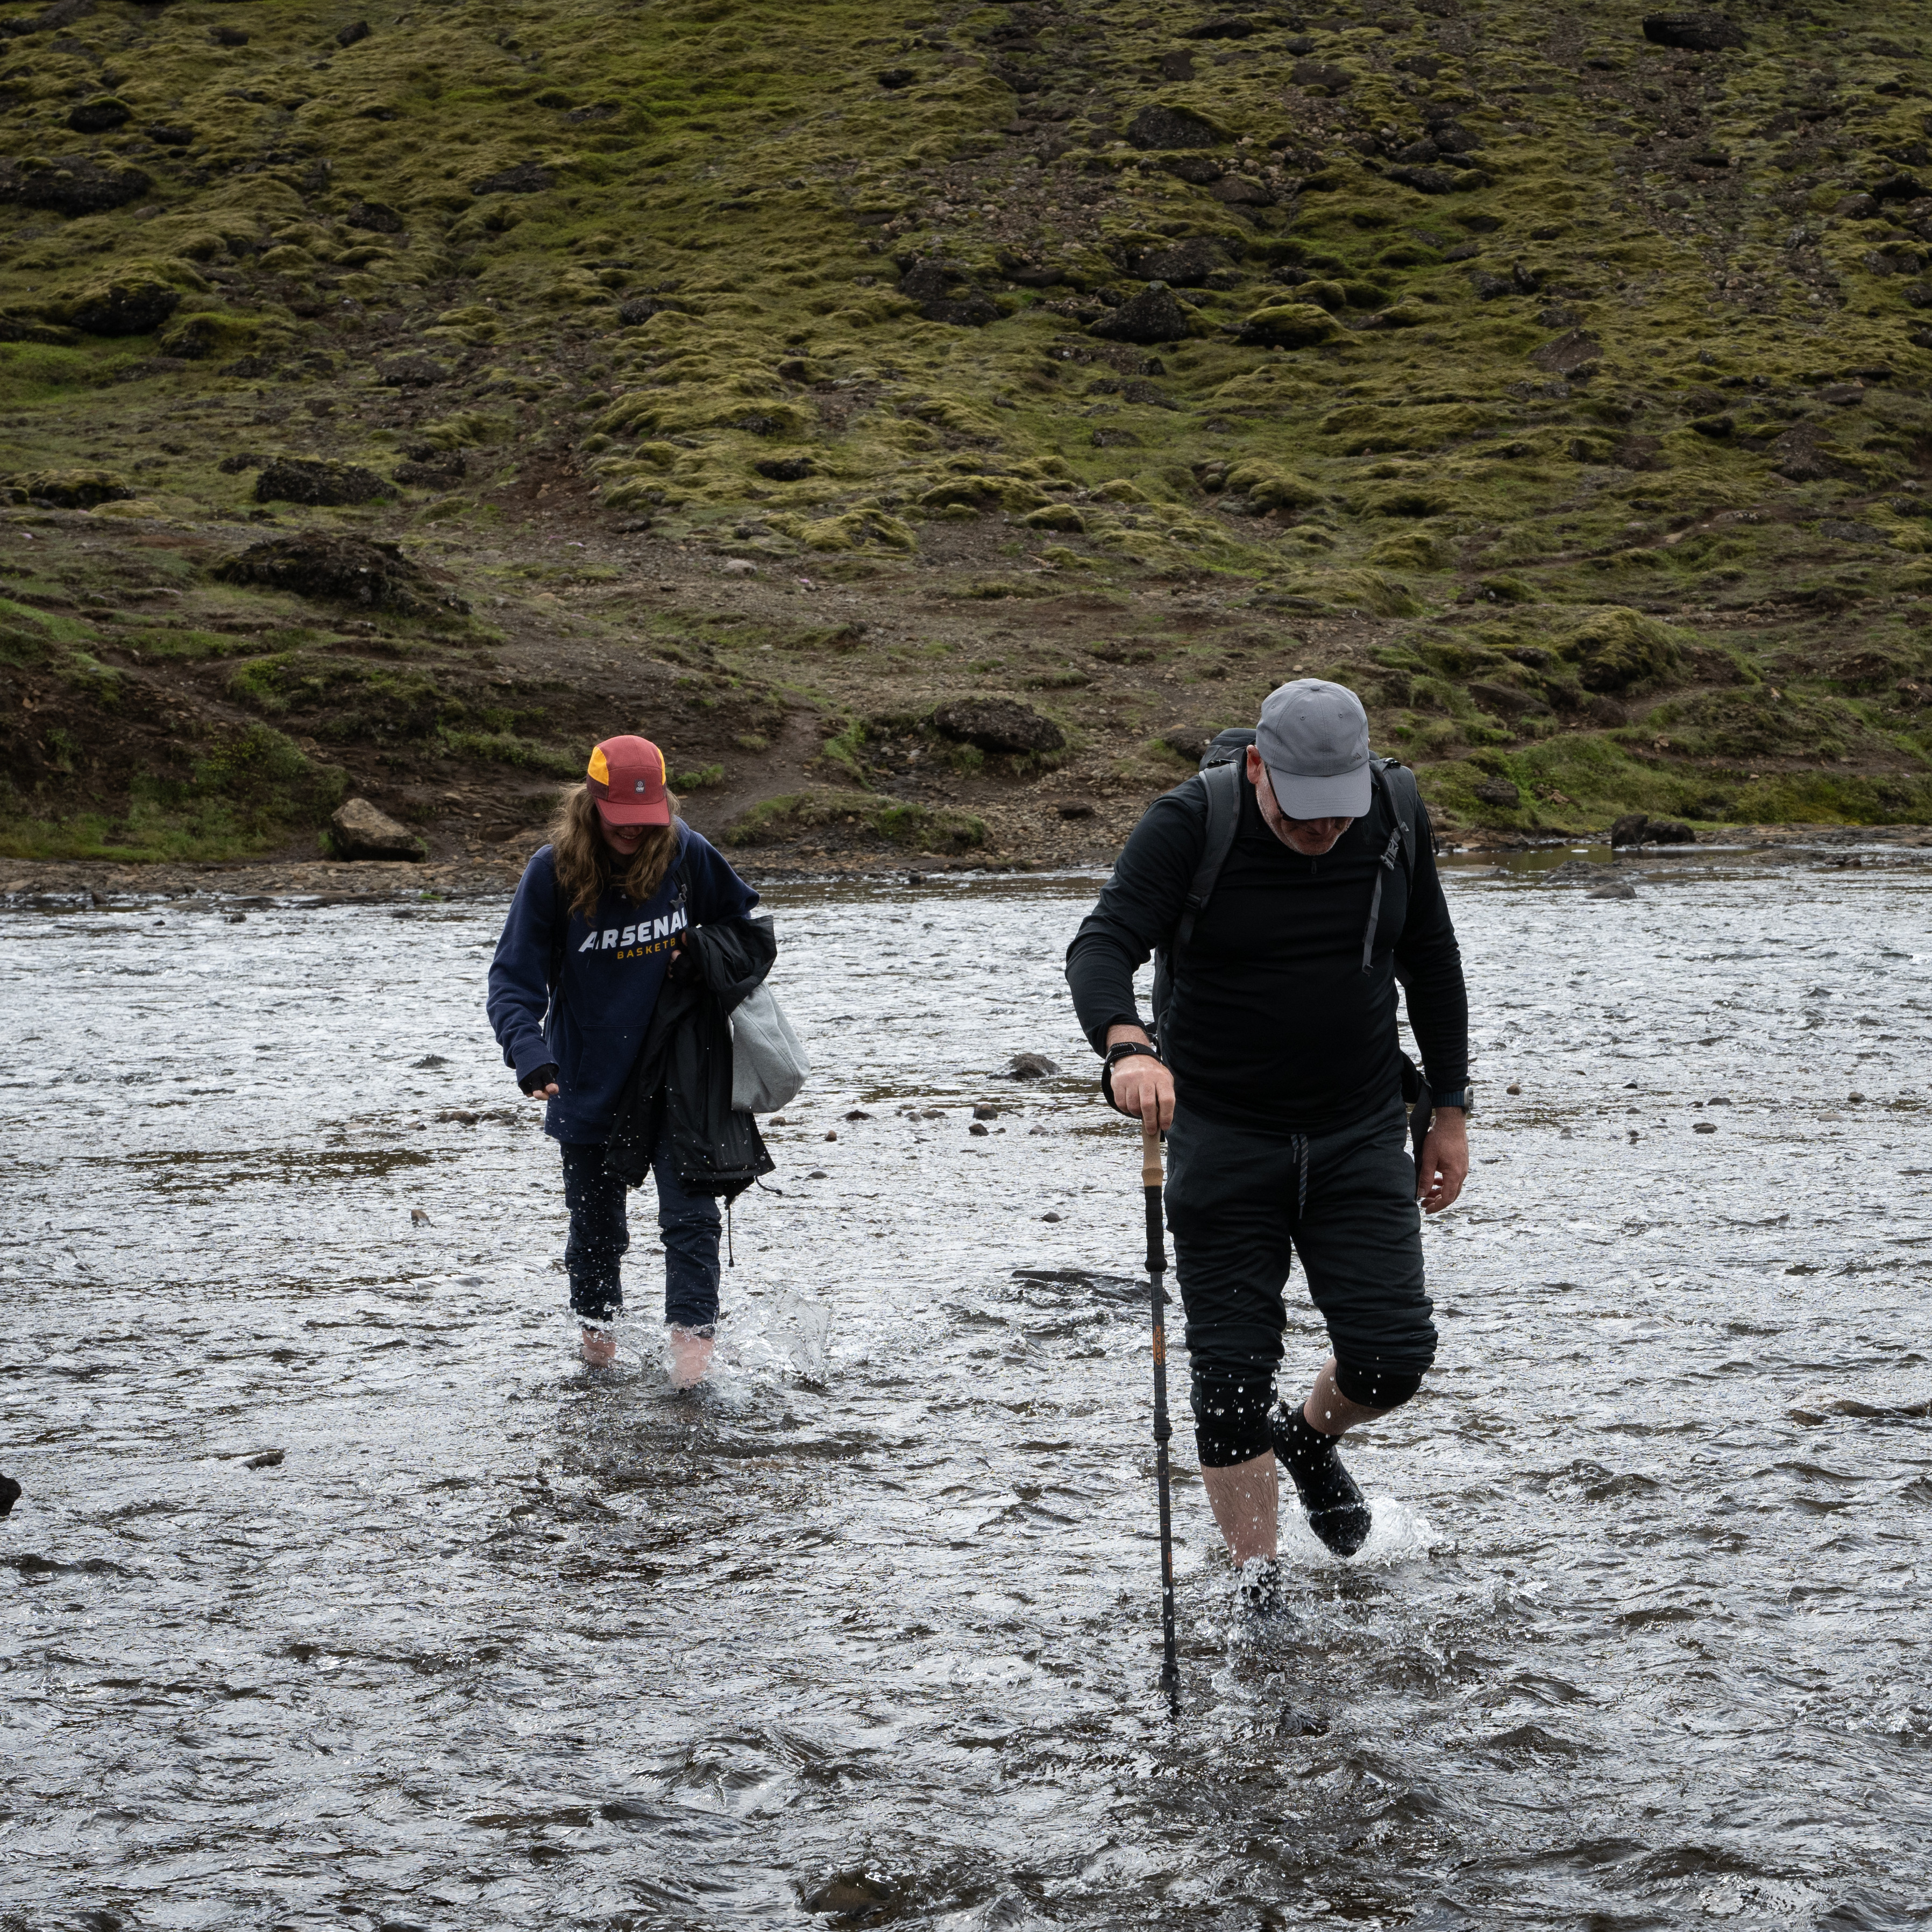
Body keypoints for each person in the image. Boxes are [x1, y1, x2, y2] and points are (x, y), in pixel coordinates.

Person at [1066, 680, 1471, 1599]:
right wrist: (1127, 1047)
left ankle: (1311, 1433)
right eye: (1301, 812)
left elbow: (1432, 959)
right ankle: (1260, 1585)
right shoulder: (1188, 823)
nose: (1323, 830)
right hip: (1220, 1131)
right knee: (1228, 1381)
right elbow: (1101, 945)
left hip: (1360, 1125)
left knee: (1391, 1356)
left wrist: (1448, 1110)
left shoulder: (1396, 813)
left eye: (1339, 814)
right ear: (1257, 767)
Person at [488, 735, 759, 1381]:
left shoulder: (688, 853)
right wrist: (530, 1052)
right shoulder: (550, 872)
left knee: (691, 1222)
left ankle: (691, 1375)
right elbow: (511, 981)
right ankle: (598, 1360)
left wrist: (699, 953)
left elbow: (746, 932)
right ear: (590, 804)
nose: (634, 835)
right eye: (621, 824)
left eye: (647, 823)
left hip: (677, 1073)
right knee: (596, 1233)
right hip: (585, 1076)